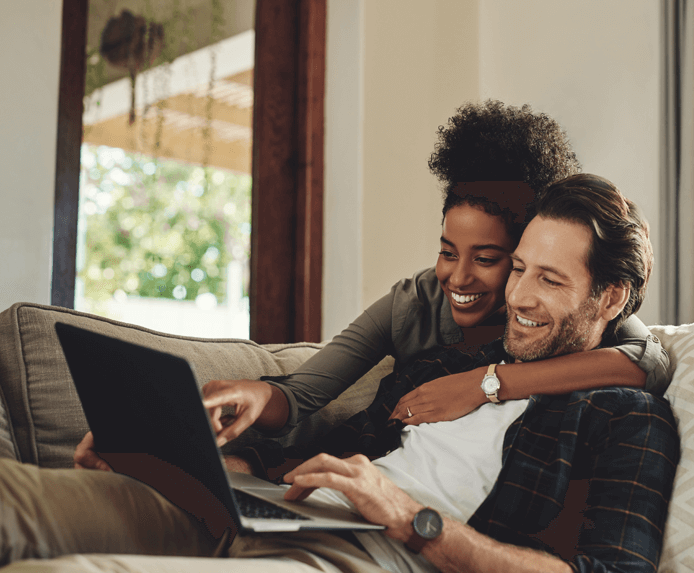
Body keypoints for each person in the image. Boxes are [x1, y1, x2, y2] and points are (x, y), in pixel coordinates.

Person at [0, 173, 679, 573]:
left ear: (609, 296)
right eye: (518, 268)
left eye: (549, 281)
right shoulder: (445, 359)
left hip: (371, 554)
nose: (515, 296)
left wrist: (410, 517)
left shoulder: (626, 416)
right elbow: (315, 432)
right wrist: (167, 457)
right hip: (271, 510)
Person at [199, 100, 669, 451]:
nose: (458, 278)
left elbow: (648, 361)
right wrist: (257, 393)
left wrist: (483, 383)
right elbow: (302, 395)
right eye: (447, 252)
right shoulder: (416, 303)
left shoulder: (572, 312)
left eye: (487, 259)